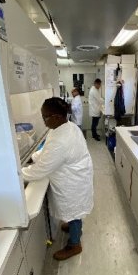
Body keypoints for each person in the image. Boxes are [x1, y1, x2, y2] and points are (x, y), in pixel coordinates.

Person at [22, 97, 93, 261]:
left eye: (44, 117)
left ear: (56, 117)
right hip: (77, 175)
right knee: (75, 209)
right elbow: (47, 148)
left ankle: (75, 244)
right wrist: (35, 156)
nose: (43, 120)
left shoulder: (62, 139)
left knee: (74, 209)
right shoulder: (66, 127)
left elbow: (40, 170)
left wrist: (18, 173)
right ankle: (75, 227)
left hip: (73, 180)